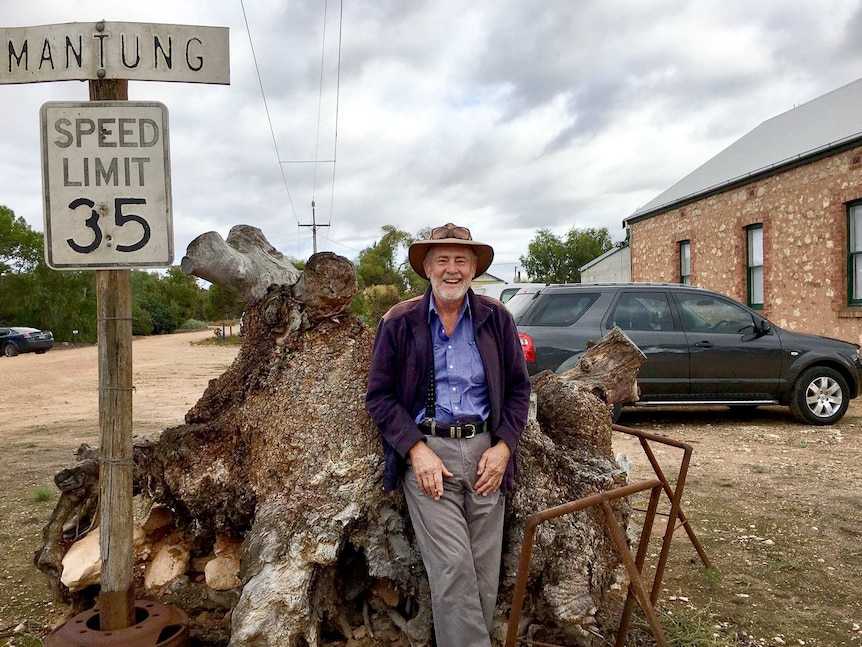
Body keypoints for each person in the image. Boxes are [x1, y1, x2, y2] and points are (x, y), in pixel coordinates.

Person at [366, 223, 531, 647]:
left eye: (461, 260)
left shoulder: (497, 319)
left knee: (482, 570)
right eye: (442, 260)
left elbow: (518, 389)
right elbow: (380, 396)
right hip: (430, 454)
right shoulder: (400, 321)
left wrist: (504, 448)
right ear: (426, 267)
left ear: (474, 268)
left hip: (485, 453)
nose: (452, 269)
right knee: (453, 567)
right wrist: (415, 451)